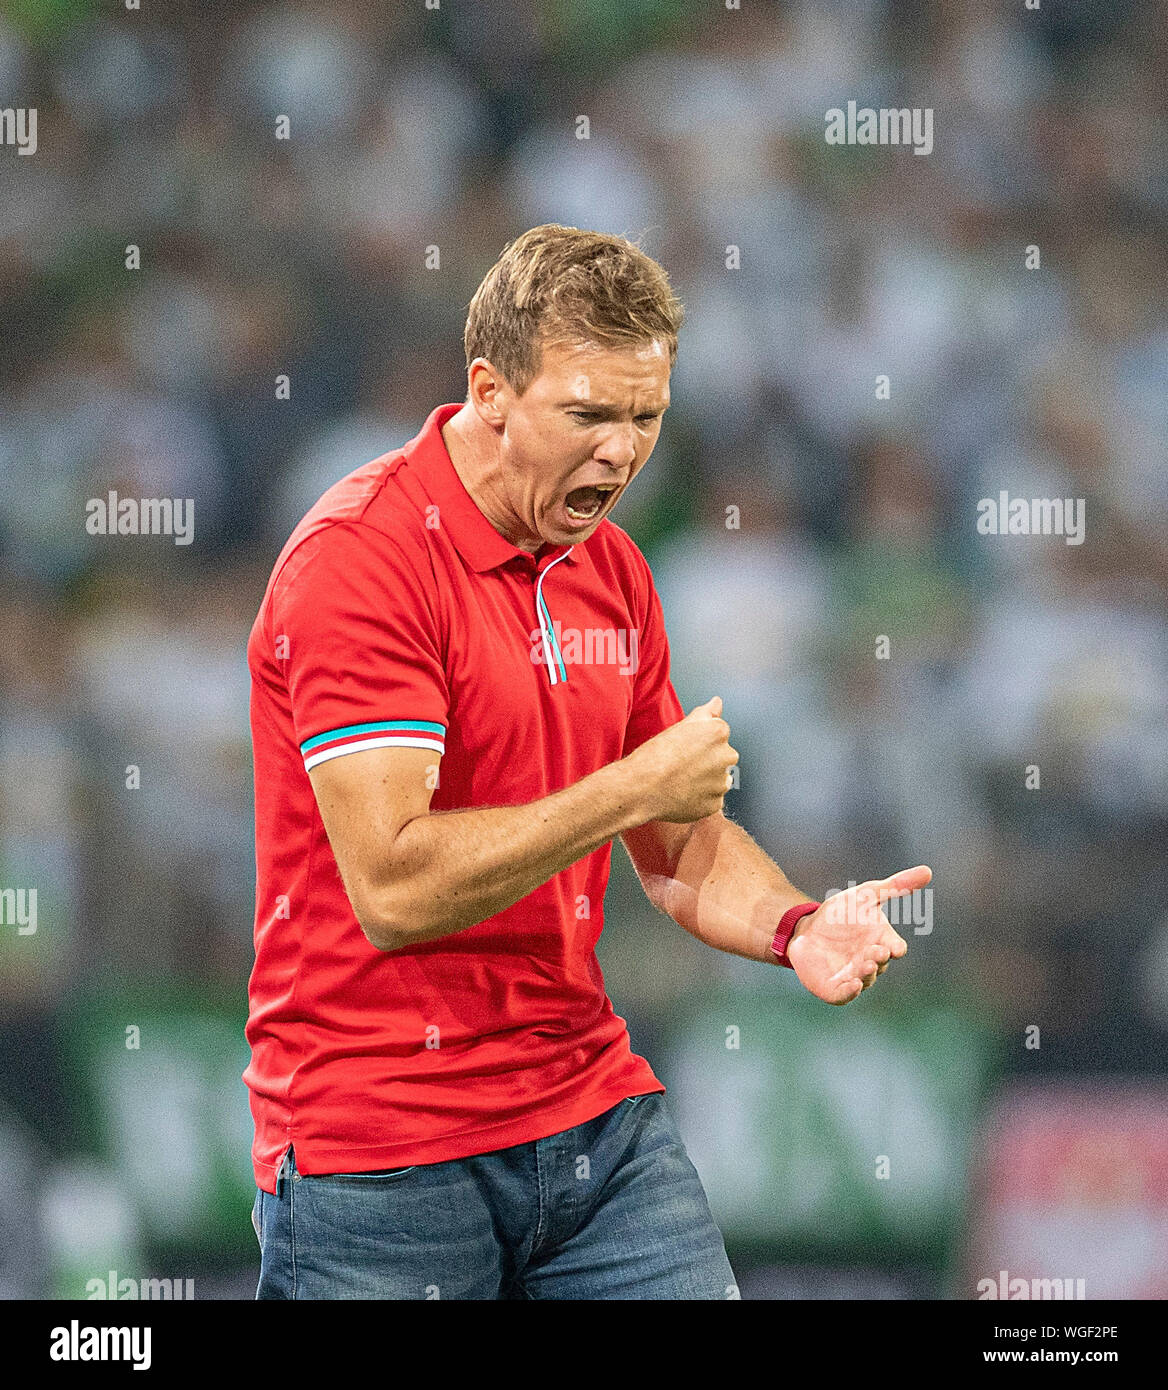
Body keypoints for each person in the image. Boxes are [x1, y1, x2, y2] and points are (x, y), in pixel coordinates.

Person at [243, 223, 931, 1299]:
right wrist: (627, 787)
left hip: (592, 1124)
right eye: (589, 414)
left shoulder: (607, 567)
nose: (620, 450)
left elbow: (676, 844)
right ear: (490, 390)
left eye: (646, 416)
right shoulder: (362, 564)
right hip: (381, 1149)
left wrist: (794, 925)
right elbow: (394, 885)